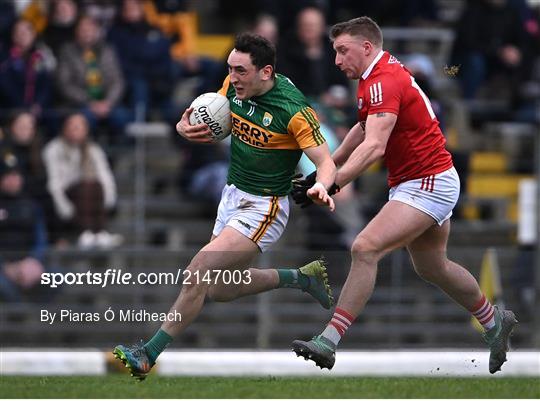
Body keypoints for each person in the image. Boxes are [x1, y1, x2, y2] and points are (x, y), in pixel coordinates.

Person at [290, 17, 518, 375]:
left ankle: (328, 342)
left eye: (342, 50)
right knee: (432, 266)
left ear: (366, 47)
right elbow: (363, 128)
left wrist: (334, 183)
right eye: (334, 51)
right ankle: (494, 323)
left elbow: (375, 146)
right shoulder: (375, 77)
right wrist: (326, 169)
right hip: (425, 180)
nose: (336, 60)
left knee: (365, 248)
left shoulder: (381, 80)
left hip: (426, 182)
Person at [113, 33, 337, 381]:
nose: (233, 77)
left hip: (265, 207)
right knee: (221, 289)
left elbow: (326, 162)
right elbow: (210, 113)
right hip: (232, 196)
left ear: (265, 72)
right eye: (230, 69)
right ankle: (301, 278)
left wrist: (322, 184)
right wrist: (185, 127)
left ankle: (148, 354)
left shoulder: (293, 110)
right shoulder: (235, 86)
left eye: (241, 71)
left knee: (197, 270)